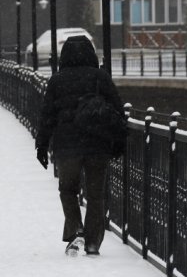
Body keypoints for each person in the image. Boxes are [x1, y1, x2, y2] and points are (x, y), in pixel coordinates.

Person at [35, 35, 126, 257]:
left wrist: (42, 145)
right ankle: (93, 241)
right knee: (96, 194)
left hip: (68, 148)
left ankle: (76, 229)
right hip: (98, 146)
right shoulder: (100, 78)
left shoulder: (57, 80)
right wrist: (118, 142)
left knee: (68, 190)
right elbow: (117, 112)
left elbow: (48, 116)